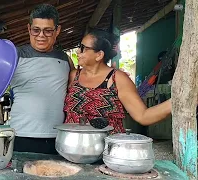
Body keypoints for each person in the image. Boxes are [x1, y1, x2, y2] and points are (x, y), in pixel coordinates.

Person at [64, 28, 172, 133]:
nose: (78, 51)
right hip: (72, 147)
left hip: (107, 147)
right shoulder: (74, 76)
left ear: (99, 55)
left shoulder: (117, 79)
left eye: (83, 48)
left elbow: (142, 115)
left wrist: (174, 103)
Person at [9, 4, 74, 154]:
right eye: (36, 30)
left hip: (58, 137)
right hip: (21, 134)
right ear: (29, 29)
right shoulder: (14, 56)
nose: (41, 35)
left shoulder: (65, 59)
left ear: (57, 30)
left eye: (48, 30)